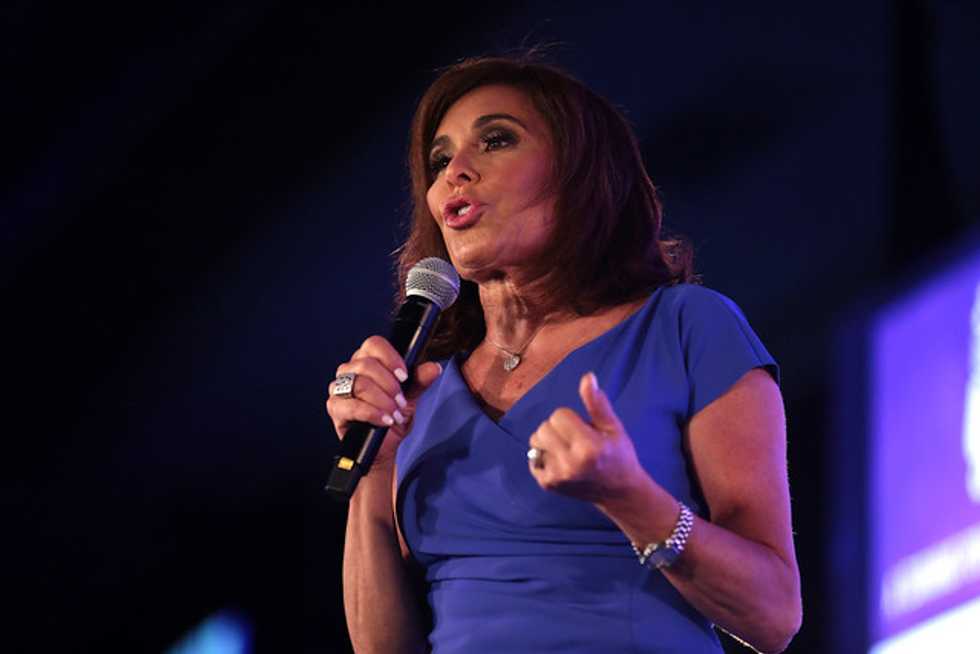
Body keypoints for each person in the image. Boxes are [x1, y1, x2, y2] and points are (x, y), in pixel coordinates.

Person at [326, 55, 802, 654]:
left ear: (579, 174)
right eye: (440, 161)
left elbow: (774, 615)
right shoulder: (423, 390)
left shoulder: (687, 327)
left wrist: (631, 499)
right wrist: (375, 470)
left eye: (496, 140)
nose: (454, 174)